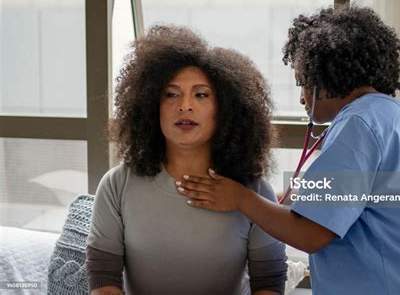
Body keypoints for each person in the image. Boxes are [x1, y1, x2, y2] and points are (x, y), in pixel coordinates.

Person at [177, 5, 400, 294]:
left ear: (325, 78)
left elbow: (310, 234)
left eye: (302, 82)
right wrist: (282, 204)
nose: (303, 99)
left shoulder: (358, 125)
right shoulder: (386, 116)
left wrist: (240, 198)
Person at [85, 25, 287, 295]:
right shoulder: (116, 185)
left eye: (201, 94)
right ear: (150, 104)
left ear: (225, 108)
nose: (185, 106)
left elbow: (269, 284)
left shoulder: (255, 192)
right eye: (171, 94)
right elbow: (103, 279)